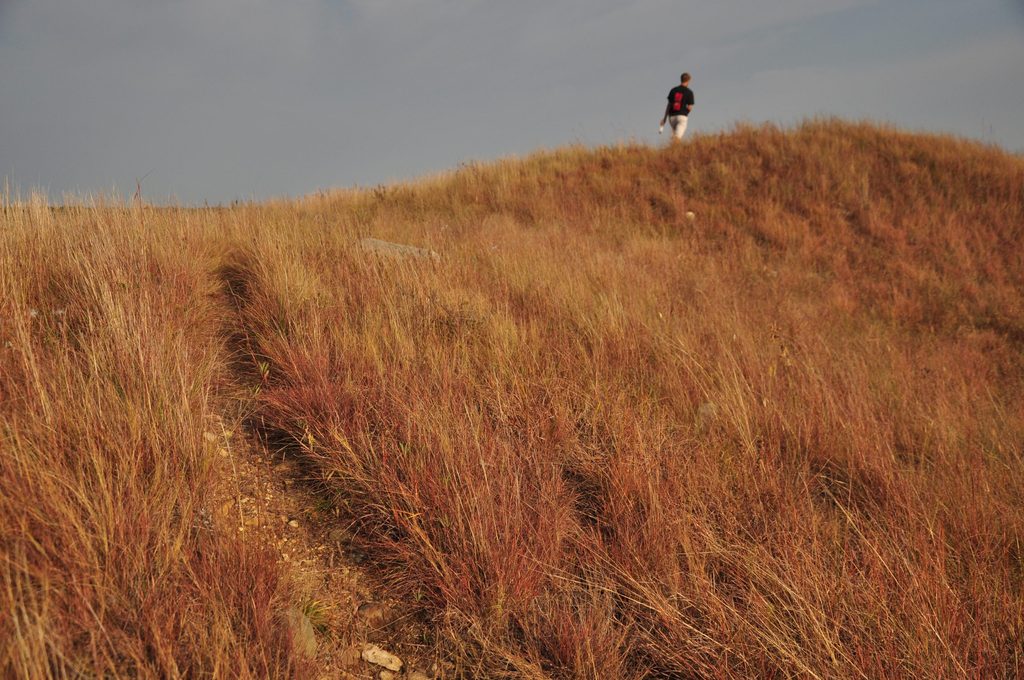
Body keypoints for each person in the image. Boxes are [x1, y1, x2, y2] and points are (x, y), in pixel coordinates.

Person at [660, 73, 694, 141]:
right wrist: (685, 113)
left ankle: (673, 149)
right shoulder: (689, 92)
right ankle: (674, 149)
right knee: (677, 138)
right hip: (682, 117)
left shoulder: (673, 90)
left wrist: (664, 119)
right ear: (688, 81)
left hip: (672, 117)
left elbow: (669, 105)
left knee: (675, 135)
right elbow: (690, 107)